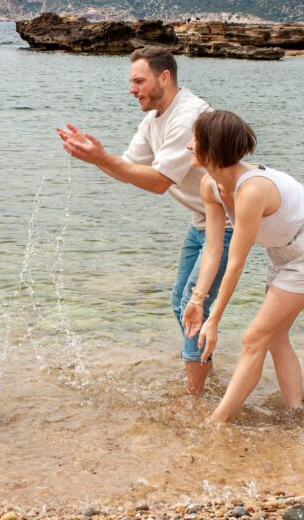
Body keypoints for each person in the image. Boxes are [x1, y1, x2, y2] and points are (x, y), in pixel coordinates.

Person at [56, 47, 232, 395]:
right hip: (201, 221)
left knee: (191, 304)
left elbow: (156, 182)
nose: (132, 89)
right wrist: (95, 157)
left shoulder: (188, 116)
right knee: (178, 303)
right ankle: (203, 376)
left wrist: (102, 158)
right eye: (131, 82)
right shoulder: (154, 119)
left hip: (227, 225)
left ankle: (194, 396)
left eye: (139, 80)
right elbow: (129, 169)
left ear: (164, 77)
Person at [182, 110, 304, 423]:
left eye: (196, 140)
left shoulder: (252, 190)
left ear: (213, 148)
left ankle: (216, 423)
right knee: (275, 336)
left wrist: (215, 320)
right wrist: (198, 300)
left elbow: (237, 262)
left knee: (253, 338)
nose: (188, 146)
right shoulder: (210, 185)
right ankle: (296, 414)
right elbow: (214, 249)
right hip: (283, 252)